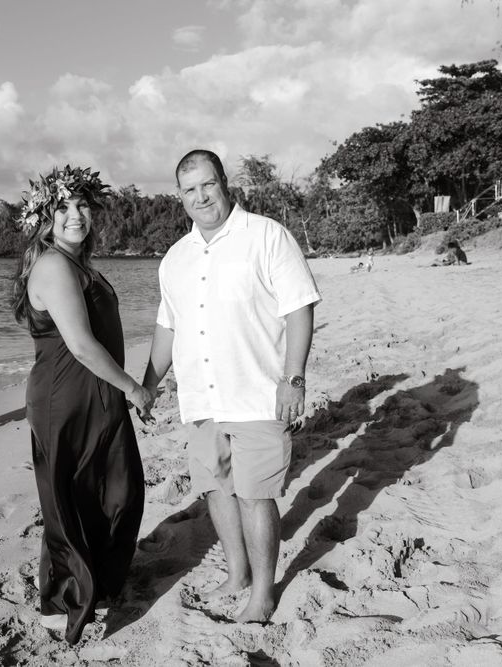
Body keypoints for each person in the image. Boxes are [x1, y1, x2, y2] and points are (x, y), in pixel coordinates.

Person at [139, 149, 321, 623]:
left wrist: (294, 379)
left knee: (256, 494)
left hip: (257, 390)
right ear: (180, 197)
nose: (201, 197)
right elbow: (167, 328)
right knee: (217, 490)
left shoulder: (266, 235)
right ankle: (237, 573)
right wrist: (148, 384)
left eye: (207, 185)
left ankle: (263, 594)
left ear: (224, 183)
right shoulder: (175, 258)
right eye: (189, 189)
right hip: (200, 397)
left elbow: (299, 308)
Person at [11, 165, 152, 644]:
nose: (76, 216)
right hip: (65, 398)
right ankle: (60, 603)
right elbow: (81, 345)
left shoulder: (78, 264)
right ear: (44, 218)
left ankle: (99, 585)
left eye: (83, 206)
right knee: (68, 501)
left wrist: (119, 390)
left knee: (119, 492)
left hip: (96, 393)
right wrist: (134, 387)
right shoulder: (53, 264)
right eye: (64, 208)